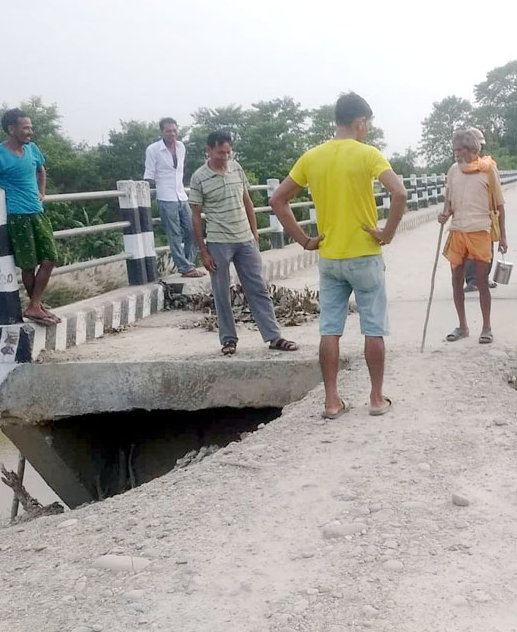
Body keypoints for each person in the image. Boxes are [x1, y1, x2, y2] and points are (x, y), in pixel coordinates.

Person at [270, 93, 408, 419]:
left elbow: (278, 200)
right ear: (360, 121)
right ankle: (376, 398)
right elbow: (399, 193)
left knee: (330, 330)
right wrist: (386, 233)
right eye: (367, 124)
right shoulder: (368, 154)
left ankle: (332, 402)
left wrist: (304, 240)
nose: (367, 130)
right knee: (373, 327)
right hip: (364, 254)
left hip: (330, 257)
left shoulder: (312, 157)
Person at [188, 130, 298, 356]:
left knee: (258, 288)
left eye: (228, 152)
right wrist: (203, 251)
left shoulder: (236, 169)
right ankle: (228, 340)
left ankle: (274, 336)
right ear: (208, 151)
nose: (225, 157)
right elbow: (196, 216)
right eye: (220, 153)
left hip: (245, 239)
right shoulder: (199, 177)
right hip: (219, 241)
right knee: (221, 292)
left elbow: (247, 201)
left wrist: (255, 235)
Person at [0, 108, 58, 325]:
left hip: (37, 212)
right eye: (25, 128)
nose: (30, 132)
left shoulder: (32, 149)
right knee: (28, 264)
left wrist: (42, 192)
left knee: (50, 257)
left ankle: (35, 304)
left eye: (31, 128)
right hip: (16, 216)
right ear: (11, 129)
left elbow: (41, 170)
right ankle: (36, 306)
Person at [437, 128, 508, 344]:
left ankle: (486, 327)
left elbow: (499, 205)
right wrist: (445, 214)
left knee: (481, 281)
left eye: (460, 150)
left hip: (480, 230)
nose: (456, 154)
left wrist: (503, 237)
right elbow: (449, 203)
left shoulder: (488, 170)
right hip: (457, 230)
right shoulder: (452, 170)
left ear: (471, 149)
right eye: (455, 150)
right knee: (456, 280)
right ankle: (463, 326)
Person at [145, 117, 204, 278]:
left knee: (192, 230)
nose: (172, 133)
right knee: (174, 234)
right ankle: (185, 268)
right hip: (165, 196)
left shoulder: (181, 147)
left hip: (181, 195)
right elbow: (149, 174)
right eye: (168, 131)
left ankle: (187, 263)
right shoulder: (153, 150)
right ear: (162, 132)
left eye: (174, 130)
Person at [462, 127, 497, 293]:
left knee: (487, 248)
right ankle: (472, 280)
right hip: (467, 214)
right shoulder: (460, 168)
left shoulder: (486, 165)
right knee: (469, 250)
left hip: (486, 213)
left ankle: (483, 278)